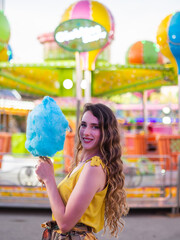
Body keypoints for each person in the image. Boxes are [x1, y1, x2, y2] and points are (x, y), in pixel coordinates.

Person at [35, 103, 129, 240]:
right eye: (84, 125)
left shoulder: (94, 168)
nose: (86, 132)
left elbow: (65, 224)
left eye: (95, 127)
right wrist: (45, 175)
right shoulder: (83, 164)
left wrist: (49, 179)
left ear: (107, 133)